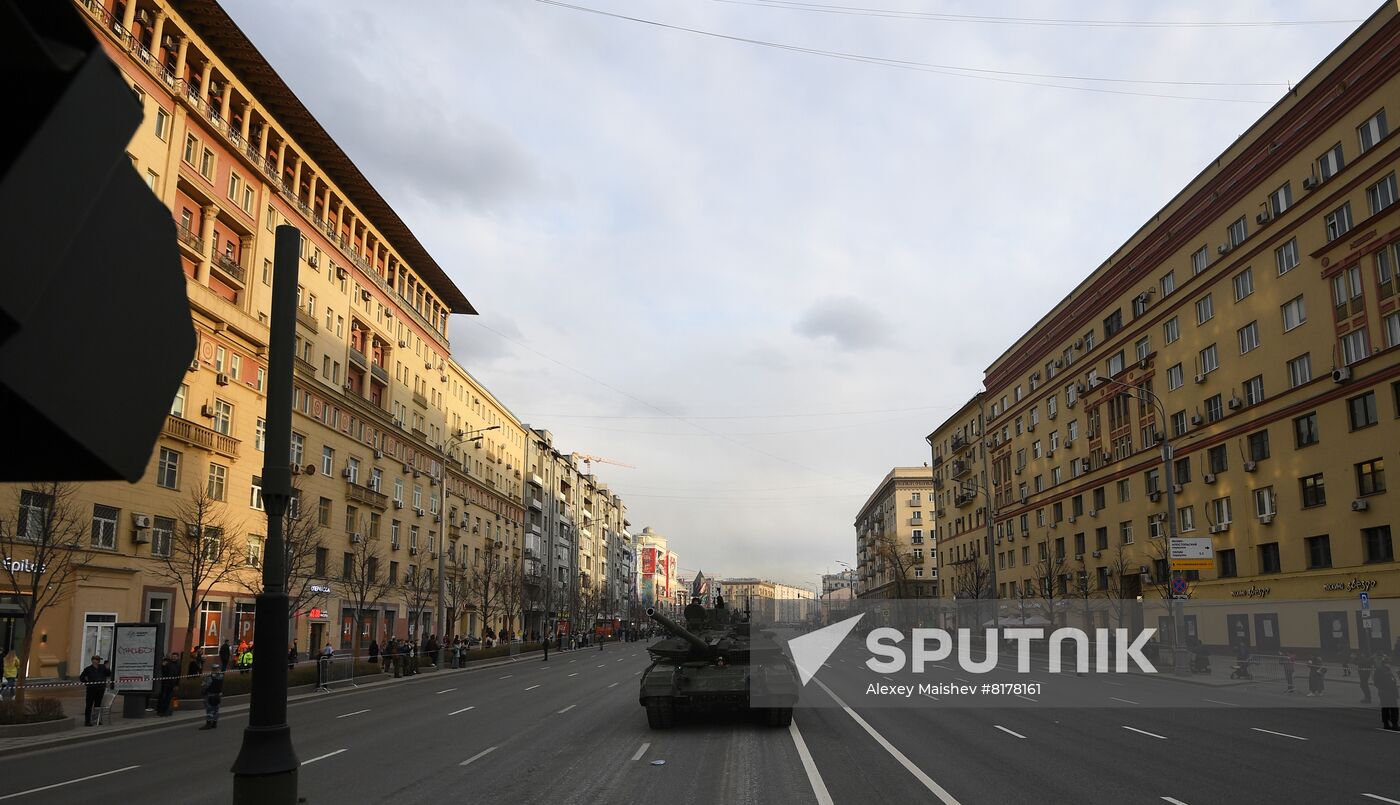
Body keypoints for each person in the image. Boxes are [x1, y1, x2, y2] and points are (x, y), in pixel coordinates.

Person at [79, 654, 110, 726]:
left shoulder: (102, 667)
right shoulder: (88, 669)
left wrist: (107, 668)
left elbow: (108, 674)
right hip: (91, 689)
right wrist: (87, 683)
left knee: (97, 705)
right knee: (89, 705)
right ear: (92, 661)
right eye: (95, 660)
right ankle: (87, 721)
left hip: (100, 689)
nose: (96, 661)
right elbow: (81, 677)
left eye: (97, 660)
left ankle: (96, 720)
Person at [1374, 656, 1398, 731]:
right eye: (1389, 663)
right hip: (1385, 692)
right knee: (1387, 708)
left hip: (1391, 692)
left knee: (1392, 708)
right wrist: (1382, 688)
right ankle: (1387, 723)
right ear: (1385, 663)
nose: (1390, 664)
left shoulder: (1388, 670)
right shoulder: (1380, 670)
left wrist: (1396, 693)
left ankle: (1394, 724)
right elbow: (1376, 681)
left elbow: (1393, 681)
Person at [199, 662, 224, 730]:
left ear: (212, 669)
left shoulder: (209, 677)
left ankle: (208, 723)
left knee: (209, 710)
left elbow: (205, 686)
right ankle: (214, 723)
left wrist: (203, 692)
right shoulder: (221, 676)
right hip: (218, 695)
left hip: (210, 695)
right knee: (216, 709)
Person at [156, 652, 180, 716]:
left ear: (178, 657)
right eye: (173, 656)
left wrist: (177, 684)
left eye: (175, 657)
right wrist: (163, 666)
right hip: (165, 684)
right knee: (162, 697)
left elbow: (179, 675)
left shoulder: (178, 665)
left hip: (172, 684)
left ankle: (167, 711)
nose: (174, 658)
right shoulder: (167, 663)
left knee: (169, 698)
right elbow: (163, 672)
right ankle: (160, 711)